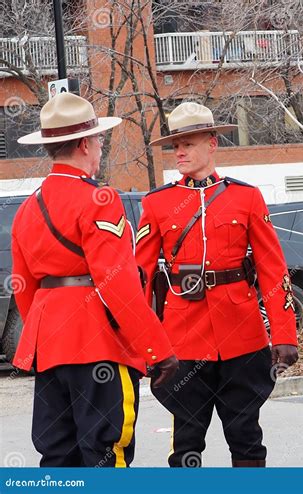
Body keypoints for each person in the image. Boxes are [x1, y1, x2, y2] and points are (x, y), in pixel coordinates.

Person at [12, 92, 178, 467]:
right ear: (85, 144)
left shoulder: (26, 208)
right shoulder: (100, 199)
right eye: (99, 140)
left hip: (50, 347)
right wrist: (156, 349)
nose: (100, 147)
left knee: (57, 455)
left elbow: (25, 290)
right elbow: (117, 283)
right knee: (106, 452)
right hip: (97, 342)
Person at [135, 102, 298, 467]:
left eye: (188, 143)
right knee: (187, 445)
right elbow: (139, 278)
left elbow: (273, 269)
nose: (179, 152)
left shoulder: (246, 197)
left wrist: (285, 334)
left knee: (247, 440)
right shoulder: (158, 204)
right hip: (183, 341)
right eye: (175, 145)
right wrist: (143, 346)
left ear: (212, 143)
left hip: (242, 337)